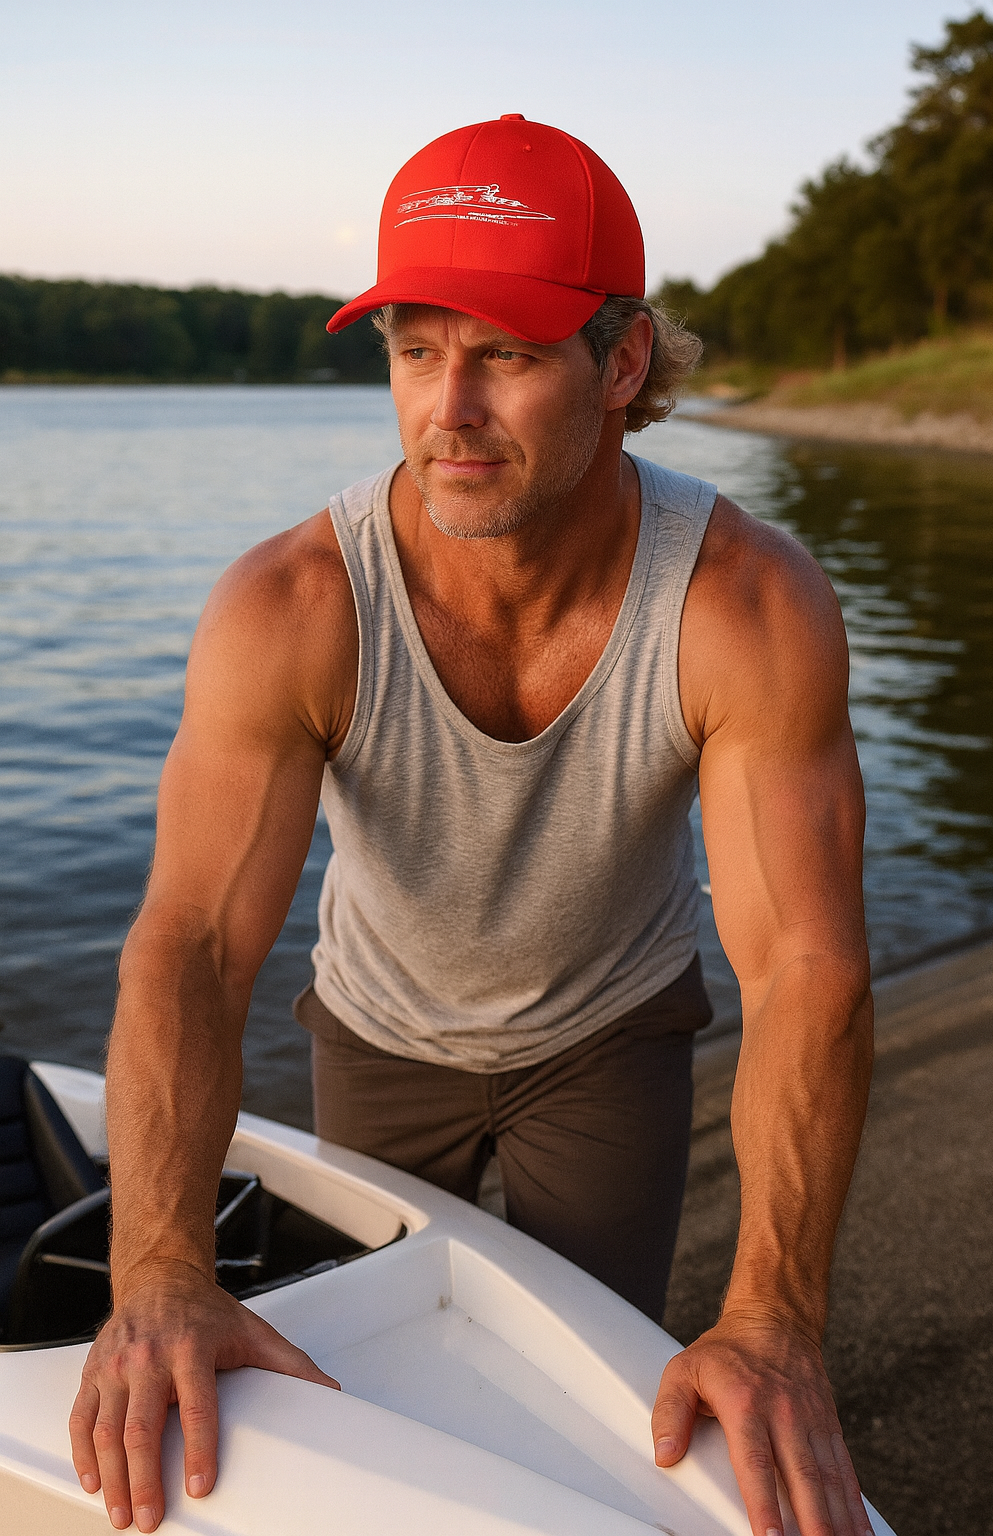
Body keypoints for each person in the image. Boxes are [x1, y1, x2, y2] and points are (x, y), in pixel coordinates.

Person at [70, 115, 874, 1536]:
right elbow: (191, 945)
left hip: (610, 1037)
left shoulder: (743, 604)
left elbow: (807, 968)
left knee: (583, 1405)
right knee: (353, 1403)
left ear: (622, 364)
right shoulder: (293, 606)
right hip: (381, 1035)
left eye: (504, 352)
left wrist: (776, 1318)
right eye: (416, 348)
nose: (449, 410)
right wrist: (158, 1278)